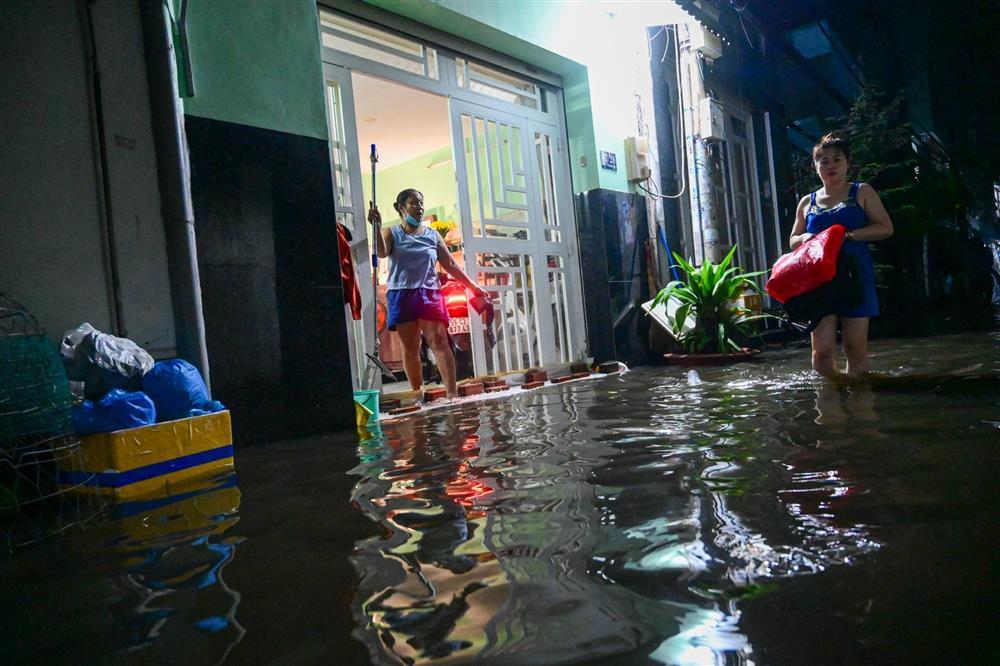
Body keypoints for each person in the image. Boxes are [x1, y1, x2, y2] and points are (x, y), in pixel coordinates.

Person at [368, 189, 492, 397]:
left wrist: (473, 287)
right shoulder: (391, 233)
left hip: (429, 293)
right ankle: (418, 395)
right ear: (401, 208)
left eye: (421, 203)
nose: (419, 207)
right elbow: (381, 252)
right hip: (401, 294)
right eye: (413, 203)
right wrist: (377, 226)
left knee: (439, 341)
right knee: (411, 347)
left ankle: (451, 395)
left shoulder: (432, 235)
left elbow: (451, 264)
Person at [789, 134, 893, 377]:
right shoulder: (807, 202)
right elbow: (793, 239)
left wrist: (848, 235)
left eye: (837, 159)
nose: (830, 165)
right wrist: (804, 239)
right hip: (819, 283)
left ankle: (860, 406)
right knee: (821, 352)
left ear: (847, 163)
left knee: (854, 347)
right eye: (823, 161)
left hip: (855, 277)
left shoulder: (862, 192)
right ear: (816, 167)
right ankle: (830, 408)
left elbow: (885, 228)